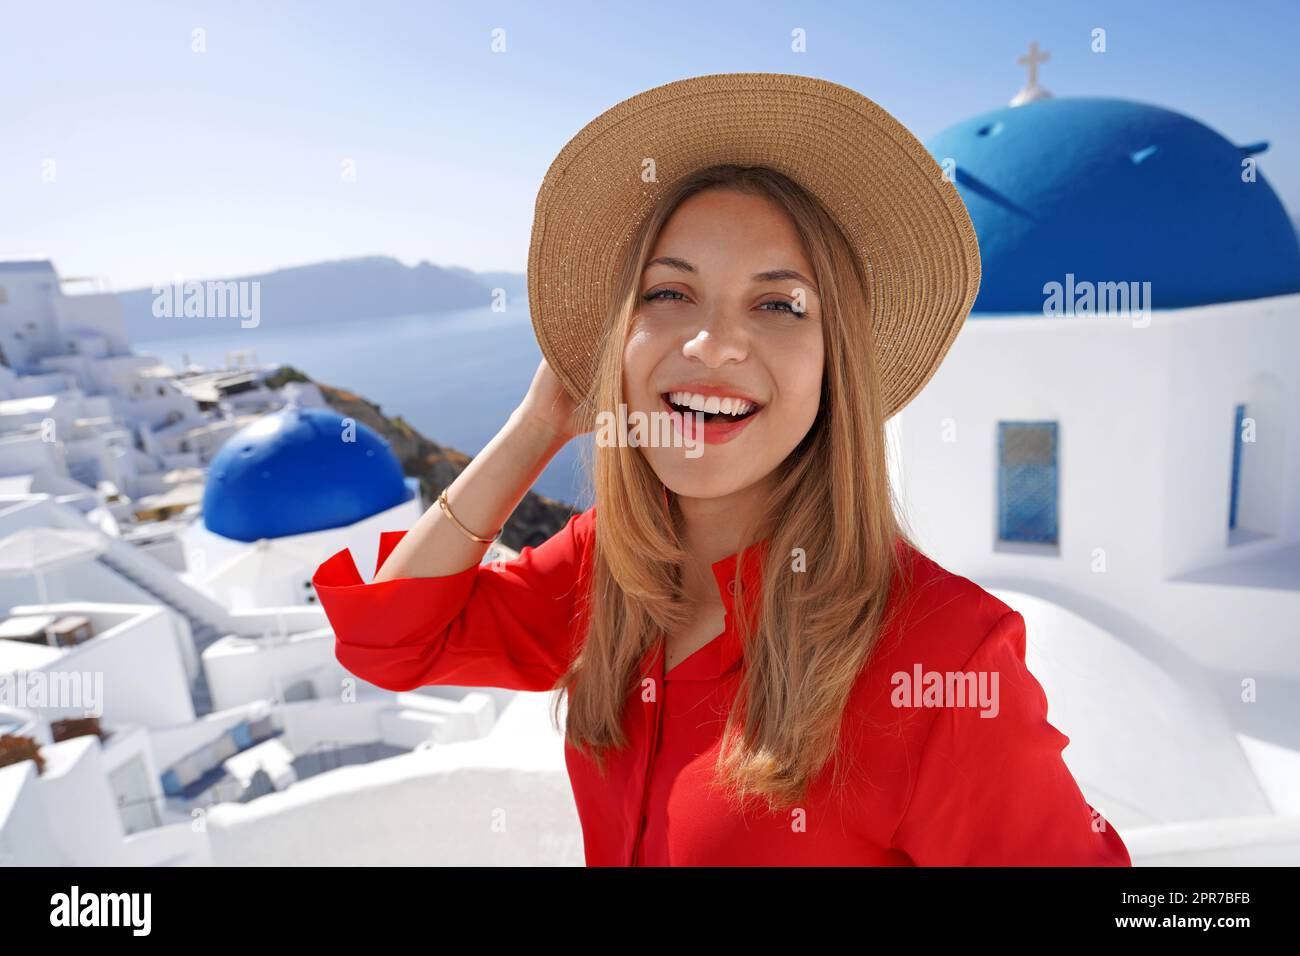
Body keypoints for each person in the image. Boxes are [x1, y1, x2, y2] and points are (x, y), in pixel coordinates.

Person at [312, 72, 1132, 867]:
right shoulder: (611, 568)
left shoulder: (942, 656)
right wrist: (538, 426)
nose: (710, 343)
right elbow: (388, 642)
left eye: (778, 304)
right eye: (669, 293)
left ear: (832, 369)